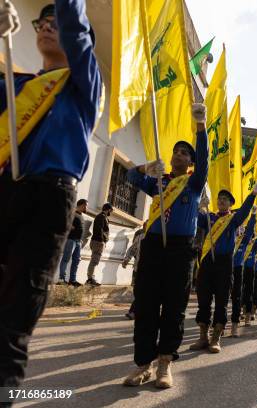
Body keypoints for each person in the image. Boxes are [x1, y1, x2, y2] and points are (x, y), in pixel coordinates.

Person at [0, 0, 103, 389]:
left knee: (14, 316)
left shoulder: (83, 84)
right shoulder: (16, 87)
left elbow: (75, 26)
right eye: (41, 22)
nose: (46, 26)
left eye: (55, 22)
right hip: (5, 190)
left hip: (47, 199)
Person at [122, 103, 209, 389]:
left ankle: (164, 365)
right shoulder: (158, 182)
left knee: (173, 308)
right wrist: (147, 167)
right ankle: (142, 365)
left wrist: (201, 125)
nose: (178, 154)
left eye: (185, 152)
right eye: (176, 150)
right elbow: (131, 177)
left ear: (190, 162)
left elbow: (205, 160)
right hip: (153, 248)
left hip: (180, 250)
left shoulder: (193, 184)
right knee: (146, 305)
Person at [190, 182, 257, 354]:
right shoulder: (209, 217)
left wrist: (253, 193)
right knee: (203, 300)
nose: (221, 201)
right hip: (207, 262)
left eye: (225, 200)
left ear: (231, 204)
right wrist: (198, 205)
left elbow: (244, 212)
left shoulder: (232, 220)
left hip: (224, 263)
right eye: (219, 199)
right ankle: (203, 337)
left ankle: (215, 338)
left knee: (222, 301)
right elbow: (194, 216)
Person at [229, 206, 257, 336]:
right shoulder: (227, 233)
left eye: (241, 226)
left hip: (240, 268)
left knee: (238, 296)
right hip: (225, 266)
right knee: (222, 297)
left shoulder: (244, 241)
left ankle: (235, 324)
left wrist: (253, 215)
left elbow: (250, 229)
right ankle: (219, 325)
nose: (240, 228)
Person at [58, 198, 88, 286]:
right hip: (71, 240)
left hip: (78, 242)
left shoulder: (81, 216)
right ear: (82, 205)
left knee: (76, 261)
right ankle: (61, 279)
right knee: (66, 259)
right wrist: (70, 226)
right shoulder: (72, 213)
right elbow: (65, 222)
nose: (87, 208)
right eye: (86, 206)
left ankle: (72, 280)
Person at [241, 224, 257, 325]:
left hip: (251, 271)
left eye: (251, 237)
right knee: (239, 293)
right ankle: (241, 312)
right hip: (240, 269)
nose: (250, 239)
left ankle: (248, 315)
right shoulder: (241, 243)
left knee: (250, 293)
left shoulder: (254, 248)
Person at [122, 226, 145, 320]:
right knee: (137, 291)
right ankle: (137, 310)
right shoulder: (140, 236)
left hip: (148, 270)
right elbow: (132, 249)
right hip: (137, 268)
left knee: (141, 291)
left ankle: (133, 311)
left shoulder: (158, 237)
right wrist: (126, 259)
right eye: (144, 225)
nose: (145, 227)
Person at [86, 203, 112, 286]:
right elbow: (99, 229)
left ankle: (91, 278)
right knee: (94, 261)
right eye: (110, 211)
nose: (110, 213)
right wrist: (102, 240)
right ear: (108, 209)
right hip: (98, 242)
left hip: (97, 241)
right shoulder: (101, 217)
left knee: (94, 261)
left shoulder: (102, 217)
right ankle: (90, 279)